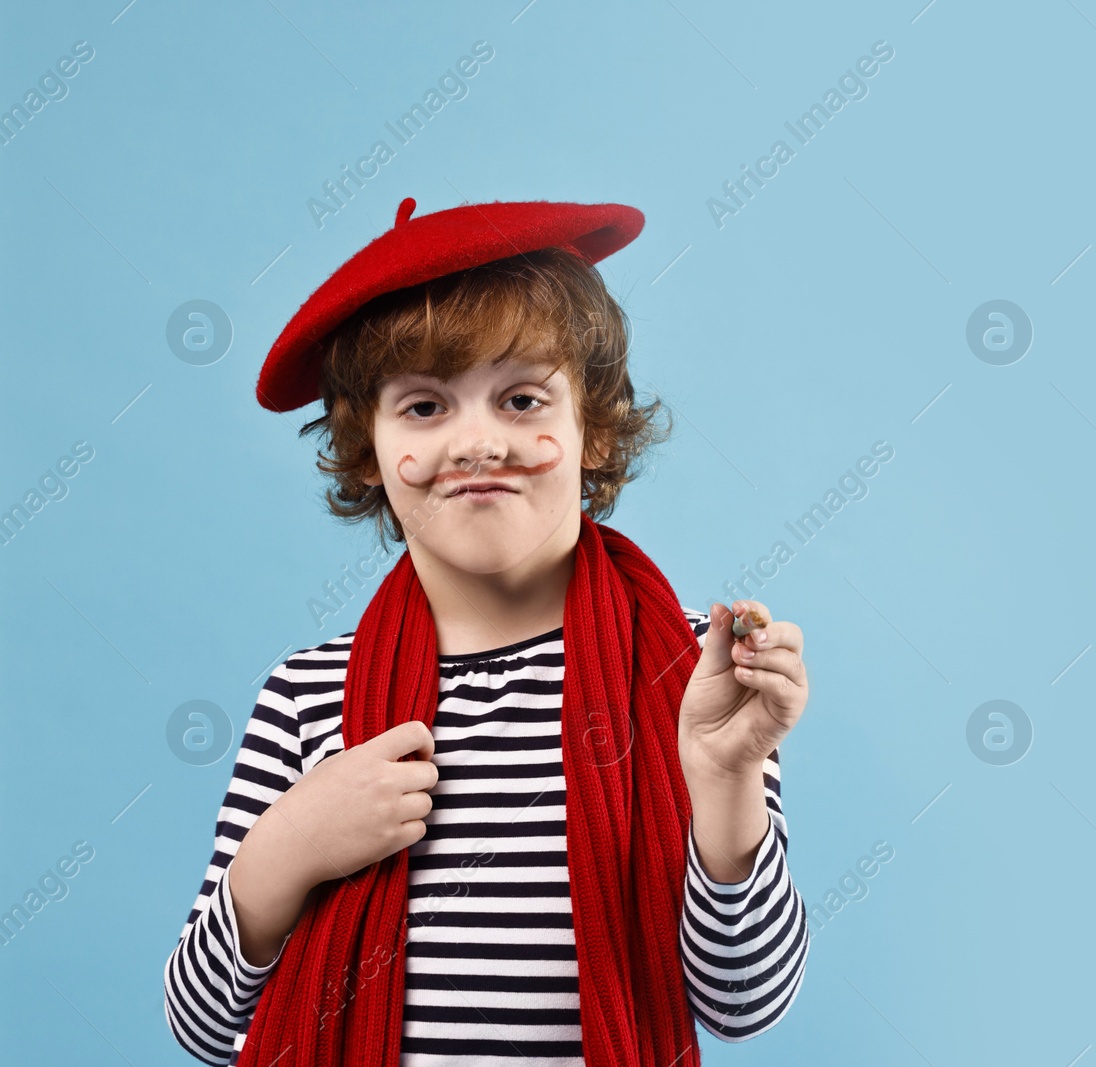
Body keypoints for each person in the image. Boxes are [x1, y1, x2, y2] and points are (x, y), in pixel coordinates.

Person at [161, 197, 810, 1066]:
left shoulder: (697, 673)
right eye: (424, 407)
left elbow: (746, 1002)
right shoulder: (307, 695)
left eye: (520, 398)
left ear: (593, 426)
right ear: (368, 448)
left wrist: (725, 781)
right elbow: (201, 1027)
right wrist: (286, 850)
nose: (477, 443)